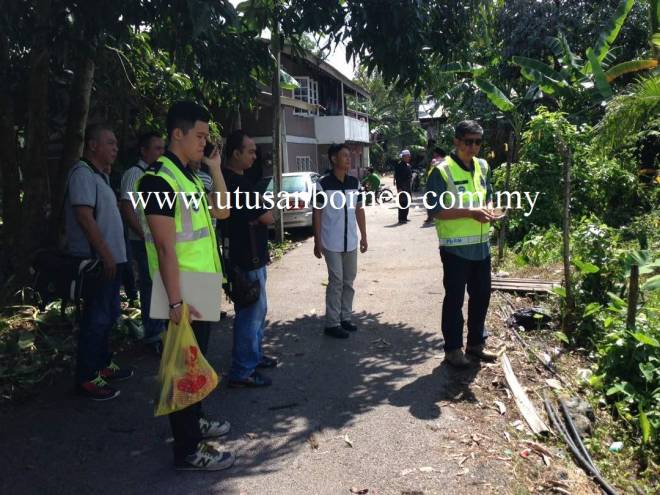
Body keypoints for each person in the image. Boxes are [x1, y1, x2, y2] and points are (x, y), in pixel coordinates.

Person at [137, 101, 234, 471]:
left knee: (197, 364)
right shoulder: (158, 180)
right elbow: (164, 246)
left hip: (201, 283)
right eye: (199, 136)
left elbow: (223, 210)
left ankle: (197, 422)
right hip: (182, 290)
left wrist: (214, 168)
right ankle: (188, 450)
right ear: (176, 134)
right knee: (184, 370)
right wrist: (175, 303)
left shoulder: (191, 176)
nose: (204, 142)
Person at [64, 123, 132, 401]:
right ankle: (87, 378)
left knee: (107, 317)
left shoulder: (100, 176)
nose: (115, 149)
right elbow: (84, 217)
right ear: (93, 145)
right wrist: (105, 255)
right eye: (110, 143)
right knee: (96, 319)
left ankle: (103, 366)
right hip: (97, 262)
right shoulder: (82, 173)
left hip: (112, 260)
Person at [426, 120, 499, 367]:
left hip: (481, 247)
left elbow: (488, 195)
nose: (474, 147)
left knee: (481, 297)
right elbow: (435, 210)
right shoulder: (441, 170)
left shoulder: (483, 166)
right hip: (455, 248)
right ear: (456, 141)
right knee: (455, 299)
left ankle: (476, 344)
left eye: (478, 142)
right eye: (469, 141)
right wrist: (470, 212)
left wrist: (489, 210)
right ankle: (453, 349)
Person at [220, 130, 277, 388]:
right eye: (251, 151)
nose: (255, 156)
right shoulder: (237, 184)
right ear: (236, 153)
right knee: (251, 313)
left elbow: (262, 214)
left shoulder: (230, 181)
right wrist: (261, 212)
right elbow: (268, 217)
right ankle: (243, 369)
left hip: (245, 255)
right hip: (248, 258)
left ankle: (253, 356)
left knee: (256, 310)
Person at [313, 143, 368, 339]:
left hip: (351, 241)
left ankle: (346, 317)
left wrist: (364, 236)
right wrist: (317, 240)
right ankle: (332, 323)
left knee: (349, 281)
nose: (348, 159)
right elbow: (317, 212)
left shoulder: (355, 183)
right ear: (334, 159)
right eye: (344, 156)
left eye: (349, 156)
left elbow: (359, 210)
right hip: (331, 242)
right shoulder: (323, 184)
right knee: (336, 281)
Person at [119, 132, 166, 352]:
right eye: (156, 148)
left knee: (161, 285)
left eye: (162, 149)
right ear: (143, 151)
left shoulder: (157, 175)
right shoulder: (134, 174)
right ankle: (153, 336)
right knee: (151, 287)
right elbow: (128, 210)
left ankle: (162, 331)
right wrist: (146, 235)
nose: (161, 153)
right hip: (142, 241)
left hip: (157, 241)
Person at [425, 147, 447, 223]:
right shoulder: (445, 160)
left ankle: (430, 216)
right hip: (442, 182)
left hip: (433, 181)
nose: (433, 154)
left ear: (437, 153)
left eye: (434, 152)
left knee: (430, 199)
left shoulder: (434, 160)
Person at [394, 149, 413, 224]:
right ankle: (401, 218)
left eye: (409, 156)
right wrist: (399, 188)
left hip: (408, 186)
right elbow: (397, 177)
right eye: (407, 156)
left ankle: (405, 217)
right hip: (402, 186)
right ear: (403, 157)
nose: (408, 158)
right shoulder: (399, 165)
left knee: (407, 202)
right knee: (402, 202)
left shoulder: (408, 165)